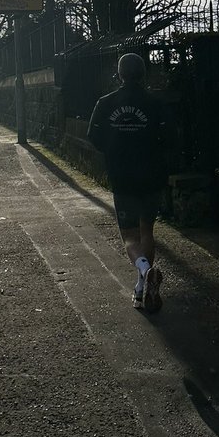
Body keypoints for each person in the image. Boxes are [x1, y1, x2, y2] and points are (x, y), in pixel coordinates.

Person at [87, 52, 169, 313]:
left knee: (129, 237)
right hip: (152, 175)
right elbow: (170, 136)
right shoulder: (155, 103)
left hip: (122, 176)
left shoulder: (106, 102)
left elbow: (93, 136)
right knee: (147, 230)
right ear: (143, 74)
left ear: (120, 74)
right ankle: (141, 287)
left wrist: (113, 151)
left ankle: (145, 271)